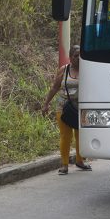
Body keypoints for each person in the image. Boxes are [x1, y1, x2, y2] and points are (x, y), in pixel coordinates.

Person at [42, 45, 91, 175]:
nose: (78, 59)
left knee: (81, 136)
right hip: (63, 108)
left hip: (82, 108)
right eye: (75, 56)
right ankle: (64, 165)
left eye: (80, 56)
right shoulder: (64, 70)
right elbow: (54, 88)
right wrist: (46, 104)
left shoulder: (88, 71)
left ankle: (80, 161)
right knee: (65, 136)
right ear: (70, 57)